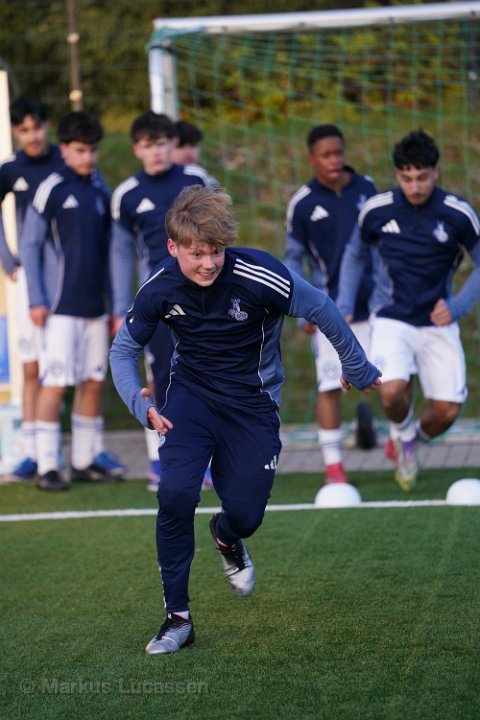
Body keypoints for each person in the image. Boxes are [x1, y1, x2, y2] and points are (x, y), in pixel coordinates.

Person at [110, 184, 381, 655]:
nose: (208, 263)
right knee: (175, 495)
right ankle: (178, 618)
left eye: (215, 251)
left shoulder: (259, 274)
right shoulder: (159, 288)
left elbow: (321, 307)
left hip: (253, 405)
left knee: (247, 514)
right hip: (190, 400)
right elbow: (123, 350)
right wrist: (141, 403)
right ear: (172, 247)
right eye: (196, 254)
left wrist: (354, 365)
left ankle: (226, 535)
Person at [336, 129, 480, 491]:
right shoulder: (376, 209)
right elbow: (354, 254)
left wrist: (458, 306)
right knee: (389, 390)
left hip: (436, 323)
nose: (414, 186)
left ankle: (409, 440)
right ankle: (402, 437)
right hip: (390, 317)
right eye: (406, 178)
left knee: (447, 411)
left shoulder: (458, 213)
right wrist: (344, 305)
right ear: (397, 174)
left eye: (422, 177)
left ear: (436, 172)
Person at [110, 110, 216, 491]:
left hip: (205, 297)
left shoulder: (196, 180)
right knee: (160, 377)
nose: (154, 151)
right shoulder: (126, 195)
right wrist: (120, 306)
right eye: (146, 145)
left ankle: (206, 459)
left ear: (172, 144)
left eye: (160, 143)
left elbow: (221, 234)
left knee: (206, 372)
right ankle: (160, 459)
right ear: (136, 149)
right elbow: (121, 255)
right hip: (157, 303)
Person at [21, 110, 124, 491]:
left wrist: (116, 305)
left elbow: (114, 250)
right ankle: (47, 464)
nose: (88, 157)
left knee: (93, 382)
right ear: (63, 149)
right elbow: (30, 246)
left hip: (95, 308)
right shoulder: (50, 188)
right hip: (59, 308)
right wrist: (36, 299)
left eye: (93, 150)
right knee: (56, 383)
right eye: (80, 150)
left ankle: (84, 459)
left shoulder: (100, 188)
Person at [284, 124, 378, 487]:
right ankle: (334, 466)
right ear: (312, 159)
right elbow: (294, 259)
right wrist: (301, 307)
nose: (335, 160)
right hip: (328, 310)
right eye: (326, 155)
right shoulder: (303, 203)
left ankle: (401, 443)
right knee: (329, 385)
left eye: (339, 152)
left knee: (392, 381)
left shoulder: (367, 189)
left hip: (376, 305)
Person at [0, 96, 64, 480]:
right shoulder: (10, 168)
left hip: (65, 278)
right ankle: (31, 451)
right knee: (31, 365)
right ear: (14, 131)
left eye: (37, 127)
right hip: (27, 279)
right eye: (24, 130)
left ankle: (58, 447)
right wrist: (5, 256)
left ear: (47, 126)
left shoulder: (64, 160)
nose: (32, 136)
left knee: (60, 365)